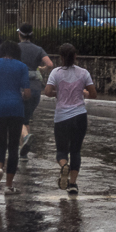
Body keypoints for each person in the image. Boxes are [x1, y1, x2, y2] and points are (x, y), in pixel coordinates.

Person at [44, 43, 97, 195]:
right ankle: (73, 184)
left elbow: (47, 92)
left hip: (61, 118)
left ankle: (63, 165)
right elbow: (93, 94)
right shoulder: (83, 73)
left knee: (61, 151)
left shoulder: (56, 73)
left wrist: (58, 93)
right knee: (76, 151)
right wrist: (84, 93)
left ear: (61, 58)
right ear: (75, 56)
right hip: (80, 116)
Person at [0, 40, 32, 194]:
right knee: (13, 147)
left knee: (0, 144)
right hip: (16, 109)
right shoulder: (22, 67)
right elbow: (28, 93)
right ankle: (9, 186)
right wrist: (20, 97)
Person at [15, 23, 54, 158]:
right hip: (36, 89)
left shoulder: (16, 48)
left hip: (20, 88)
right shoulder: (38, 49)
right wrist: (41, 69)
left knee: (18, 119)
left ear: (19, 34)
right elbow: (49, 64)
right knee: (26, 119)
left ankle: (25, 140)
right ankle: (24, 151)